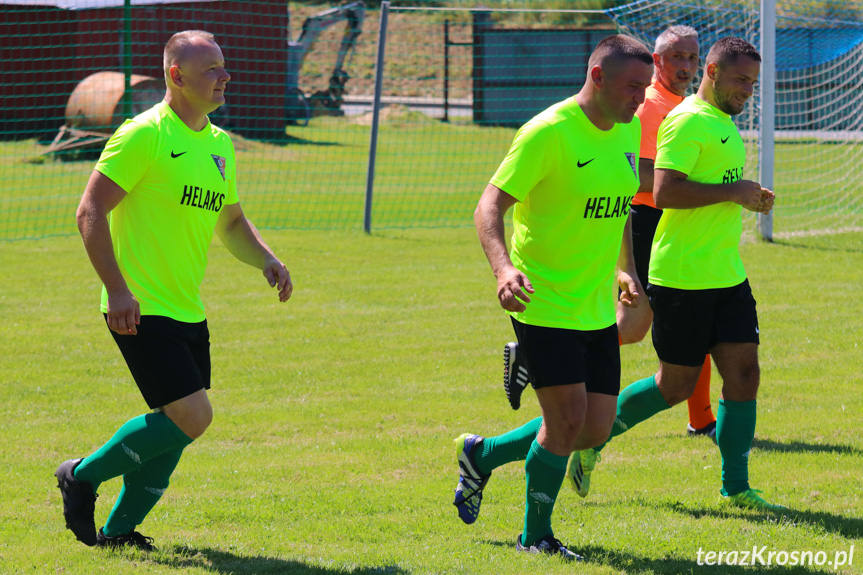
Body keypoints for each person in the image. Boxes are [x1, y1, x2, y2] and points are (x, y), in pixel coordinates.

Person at [55, 30, 293, 550]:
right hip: (138, 306)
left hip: (188, 306)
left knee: (177, 426)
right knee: (193, 416)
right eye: (211, 69)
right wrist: (117, 290)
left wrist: (267, 259)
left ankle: (118, 532)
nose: (224, 76)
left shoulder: (220, 145)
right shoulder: (145, 135)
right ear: (176, 76)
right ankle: (82, 475)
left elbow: (230, 223)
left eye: (223, 66)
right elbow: (89, 213)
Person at [453, 35, 653, 561]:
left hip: (592, 304)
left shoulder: (628, 128)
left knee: (593, 427)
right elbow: (489, 206)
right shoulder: (547, 132)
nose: (641, 98)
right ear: (597, 75)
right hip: (541, 299)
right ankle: (534, 537)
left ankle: (483, 453)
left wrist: (625, 268)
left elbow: (621, 202)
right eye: (634, 86)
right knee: (564, 422)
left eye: (645, 87)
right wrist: (503, 270)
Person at [569, 37, 786, 512]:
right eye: (740, 80)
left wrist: (745, 195)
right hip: (683, 275)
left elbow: (714, 188)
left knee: (744, 373)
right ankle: (591, 440)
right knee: (675, 385)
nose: (748, 90)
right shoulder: (688, 120)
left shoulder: (722, 122)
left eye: (753, 82)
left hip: (726, 271)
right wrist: (735, 192)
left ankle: (736, 488)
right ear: (711, 71)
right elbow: (664, 191)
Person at [504, 26, 718, 443]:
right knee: (677, 331)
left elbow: (625, 176)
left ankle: (701, 417)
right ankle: (702, 418)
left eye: (692, 58)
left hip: (656, 234)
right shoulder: (636, 108)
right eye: (678, 57)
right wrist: (705, 187)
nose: (686, 67)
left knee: (637, 333)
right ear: (657, 61)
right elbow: (637, 178)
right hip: (642, 226)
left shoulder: (660, 112)